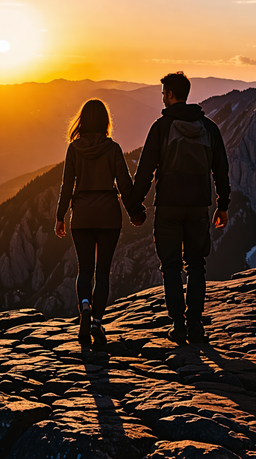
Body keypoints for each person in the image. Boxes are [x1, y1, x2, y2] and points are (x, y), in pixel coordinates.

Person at [129, 71, 230, 343]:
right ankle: (196, 323)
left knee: (171, 265)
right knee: (197, 264)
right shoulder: (209, 128)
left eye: (163, 94)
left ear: (171, 95)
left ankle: (178, 325)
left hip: (168, 206)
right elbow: (221, 169)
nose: (162, 98)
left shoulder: (161, 128)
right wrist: (223, 205)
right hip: (198, 206)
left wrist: (135, 206)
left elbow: (146, 170)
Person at [55, 99, 145, 346]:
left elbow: (67, 185)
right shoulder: (113, 148)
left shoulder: (74, 149)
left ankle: (84, 306)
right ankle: (96, 323)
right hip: (108, 216)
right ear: (105, 121)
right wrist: (134, 212)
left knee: (84, 269)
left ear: (82, 121)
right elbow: (124, 183)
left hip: (81, 216)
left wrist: (60, 216)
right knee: (103, 271)